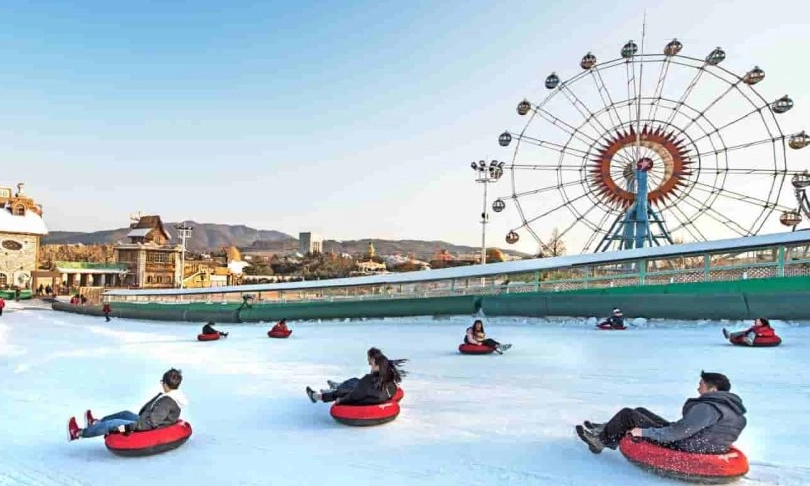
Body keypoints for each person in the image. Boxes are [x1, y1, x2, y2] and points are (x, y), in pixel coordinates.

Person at [575, 371, 746, 455]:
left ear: (713, 389)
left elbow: (677, 433)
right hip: (704, 444)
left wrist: (643, 432)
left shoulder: (708, 408)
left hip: (685, 445)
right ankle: (606, 427)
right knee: (641, 411)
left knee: (629, 414)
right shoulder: (731, 409)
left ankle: (600, 441)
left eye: (701, 384)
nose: (698, 386)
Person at [67, 368, 187, 441]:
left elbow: (149, 424)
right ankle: (95, 423)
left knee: (112, 424)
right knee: (125, 414)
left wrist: (126, 427)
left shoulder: (167, 402)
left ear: (166, 384)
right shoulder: (171, 394)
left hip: (144, 426)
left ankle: (78, 433)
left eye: (162, 382)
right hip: (146, 419)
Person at [306, 349, 406, 405]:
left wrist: (341, 400)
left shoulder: (368, 381)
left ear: (377, 365)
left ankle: (316, 396)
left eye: (371, 363)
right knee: (355, 380)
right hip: (373, 394)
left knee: (341, 392)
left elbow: (354, 396)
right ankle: (338, 385)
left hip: (365, 397)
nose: (369, 364)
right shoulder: (389, 375)